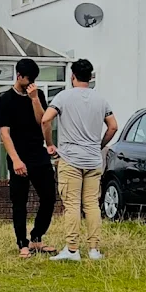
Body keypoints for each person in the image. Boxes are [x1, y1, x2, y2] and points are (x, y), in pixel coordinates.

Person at [41, 59, 117, 262]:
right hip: (93, 160)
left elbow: (46, 119)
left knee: (72, 204)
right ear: (90, 77)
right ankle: (94, 249)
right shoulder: (101, 100)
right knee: (92, 204)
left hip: (70, 158)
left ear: (72, 76)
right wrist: (99, 145)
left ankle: (72, 249)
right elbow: (113, 127)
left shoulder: (63, 97)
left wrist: (50, 144)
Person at [0, 59, 56, 258]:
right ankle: (22, 243)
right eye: (28, 79)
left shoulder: (38, 95)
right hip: (18, 154)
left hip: (38, 152)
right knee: (19, 201)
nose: (31, 83)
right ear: (19, 76)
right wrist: (16, 160)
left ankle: (37, 237)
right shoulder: (5, 100)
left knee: (49, 196)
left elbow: (42, 122)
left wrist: (35, 99)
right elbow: (5, 134)